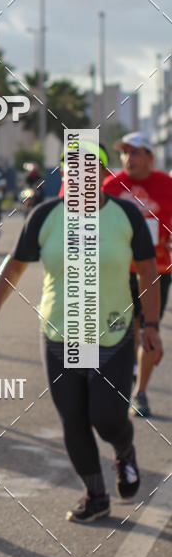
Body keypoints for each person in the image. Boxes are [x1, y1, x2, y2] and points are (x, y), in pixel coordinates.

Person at [0, 143, 162, 523]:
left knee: (106, 417)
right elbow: (14, 266)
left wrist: (151, 325)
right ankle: (95, 494)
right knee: (74, 418)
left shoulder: (125, 216)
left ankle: (124, 451)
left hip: (112, 334)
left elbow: (147, 272)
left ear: (103, 176)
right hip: (61, 335)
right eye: (73, 169)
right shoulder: (46, 216)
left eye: (90, 168)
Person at [102, 131, 172, 417]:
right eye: (125, 152)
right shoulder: (110, 186)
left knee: (148, 329)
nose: (128, 158)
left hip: (157, 270)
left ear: (150, 157)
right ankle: (127, 372)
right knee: (125, 330)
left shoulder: (166, 184)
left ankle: (140, 392)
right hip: (119, 271)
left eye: (135, 152)